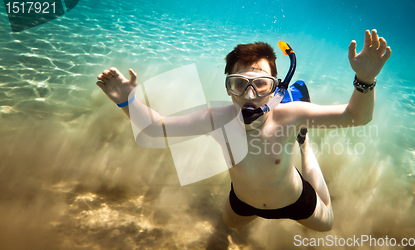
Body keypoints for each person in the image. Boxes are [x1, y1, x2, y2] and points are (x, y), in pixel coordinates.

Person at [96, 29, 391, 231]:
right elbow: (154, 129)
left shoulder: (290, 114)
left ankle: (305, 144)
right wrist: (127, 101)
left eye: (261, 84)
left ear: (276, 90)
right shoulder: (219, 119)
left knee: (328, 224)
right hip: (243, 201)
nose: (249, 95)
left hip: (296, 201)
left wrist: (365, 79)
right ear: (229, 89)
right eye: (239, 84)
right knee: (228, 225)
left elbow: (355, 117)